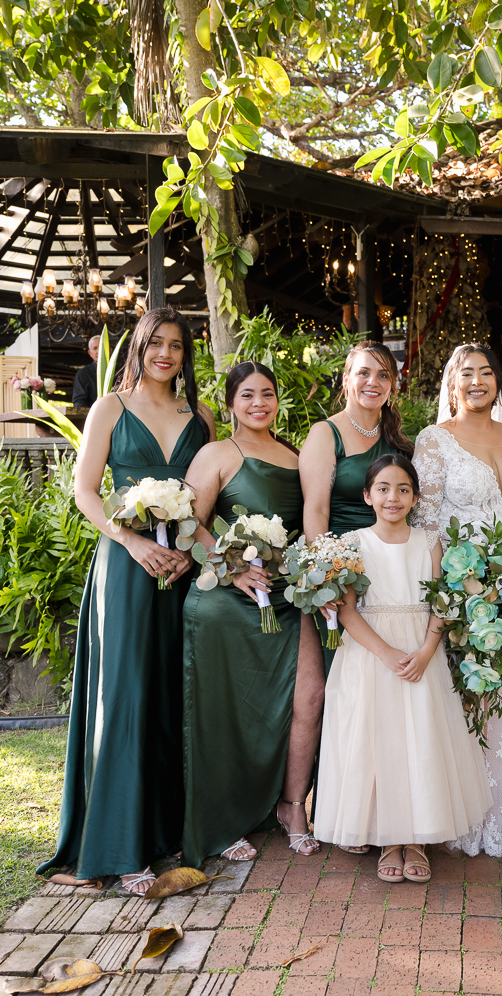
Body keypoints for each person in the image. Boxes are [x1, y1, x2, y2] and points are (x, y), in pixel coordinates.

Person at [37, 307, 214, 896]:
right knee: (129, 695)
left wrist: (193, 552)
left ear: (186, 356)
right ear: (137, 348)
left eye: (176, 346)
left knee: (177, 694)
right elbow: (86, 491)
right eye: (155, 343)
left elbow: (207, 495)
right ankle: (119, 843)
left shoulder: (203, 417)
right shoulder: (109, 408)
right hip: (127, 566)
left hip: (184, 569)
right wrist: (132, 542)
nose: (166, 354)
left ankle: (173, 834)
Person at [313, 454, 492, 884]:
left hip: (420, 651)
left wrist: (427, 649)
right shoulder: (351, 544)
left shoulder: (429, 542)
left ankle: (418, 839)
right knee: (380, 740)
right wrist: (387, 653)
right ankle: (387, 838)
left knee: (421, 738)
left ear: (415, 497)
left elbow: (442, 603)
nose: (393, 497)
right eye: (384, 489)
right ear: (367, 496)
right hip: (371, 655)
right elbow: (349, 613)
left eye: (403, 489)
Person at [179, 361, 312, 864]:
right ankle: (223, 819)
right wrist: (232, 566)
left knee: (291, 704)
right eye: (248, 395)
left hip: (283, 597)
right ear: (232, 403)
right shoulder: (217, 454)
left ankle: (279, 807)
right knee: (224, 712)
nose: (260, 403)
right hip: (223, 601)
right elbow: (190, 524)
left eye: (268, 394)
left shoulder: (295, 456)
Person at [411, 343, 502, 858]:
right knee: (474, 702)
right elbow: (427, 525)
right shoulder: (434, 440)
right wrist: (460, 590)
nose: (478, 380)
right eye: (467, 373)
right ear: (451, 385)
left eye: (487, 371)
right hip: (464, 591)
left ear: (498, 383)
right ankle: (464, 814)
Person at [297, 342, 414, 832]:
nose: (373, 382)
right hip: (343, 574)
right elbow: (316, 512)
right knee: (336, 693)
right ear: (345, 378)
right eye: (363, 373)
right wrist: (327, 579)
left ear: (392, 385)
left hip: (392, 572)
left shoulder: (397, 438)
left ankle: (383, 808)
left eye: (383, 375)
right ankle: (333, 807)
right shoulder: (326, 434)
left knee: (386, 695)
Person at [71, 334, 102, 409]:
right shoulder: (83, 374)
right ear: (90, 353)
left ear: (110, 350)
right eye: (95, 348)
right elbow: (79, 402)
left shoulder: (120, 372)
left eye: (102, 346)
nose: (99, 351)